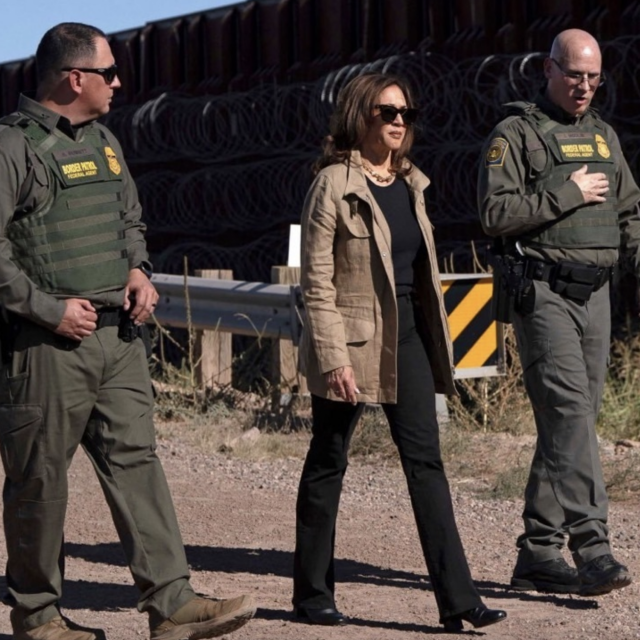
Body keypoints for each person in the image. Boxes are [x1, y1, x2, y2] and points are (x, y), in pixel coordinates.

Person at [0, 23, 256, 640]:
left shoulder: (106, 141)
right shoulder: (12, 148)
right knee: (40, 481)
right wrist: (46, 308)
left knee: (138, 464)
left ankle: (170, 606)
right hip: (46, 347)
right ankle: (37, 616)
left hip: (118, 340)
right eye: (109, 72)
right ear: (75, 78)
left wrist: (140, 269)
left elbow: (130, 219)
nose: (119, 82)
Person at [292, 72, 507, 633]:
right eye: (387, 112)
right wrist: (333, 356)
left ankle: (459, 600)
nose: (398, 122)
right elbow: (315, 281)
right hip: (354, 341)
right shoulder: (333, 184)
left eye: (405, 113)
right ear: (359, 116)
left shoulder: (412, 182)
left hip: (408, 337)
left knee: (426, 464)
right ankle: (312, 595)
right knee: (328, 460)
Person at [478, 28, 640, 597]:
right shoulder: (516, 134)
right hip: (543, 292)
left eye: (594, 78)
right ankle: (592, 547)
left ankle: (539, 553)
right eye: (575, 75)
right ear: (548, 69)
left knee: (571, 421)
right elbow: (494, 213)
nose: (585, 87)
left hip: (595, 295)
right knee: (570, 413)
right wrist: (566, 195)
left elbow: (629, 211)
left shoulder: (603, 137)